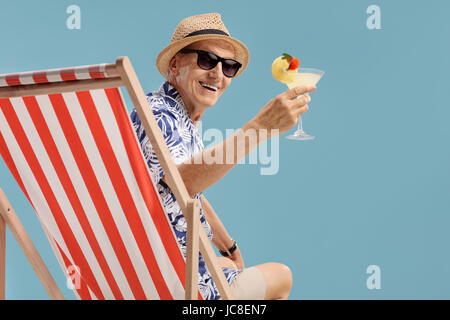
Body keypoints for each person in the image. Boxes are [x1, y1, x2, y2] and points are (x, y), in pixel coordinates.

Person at [129, 13, 315, 300]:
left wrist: (229, 246)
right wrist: (259, 128)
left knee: (228, 264)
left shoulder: (180, 118)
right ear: (175, 63)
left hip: (154, 270)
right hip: (177, 282)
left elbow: (186, 190)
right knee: (281, 275)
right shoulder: (160, 113)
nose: (218, 74)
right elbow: (180, 183)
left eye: (229, 66)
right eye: (206, 60)